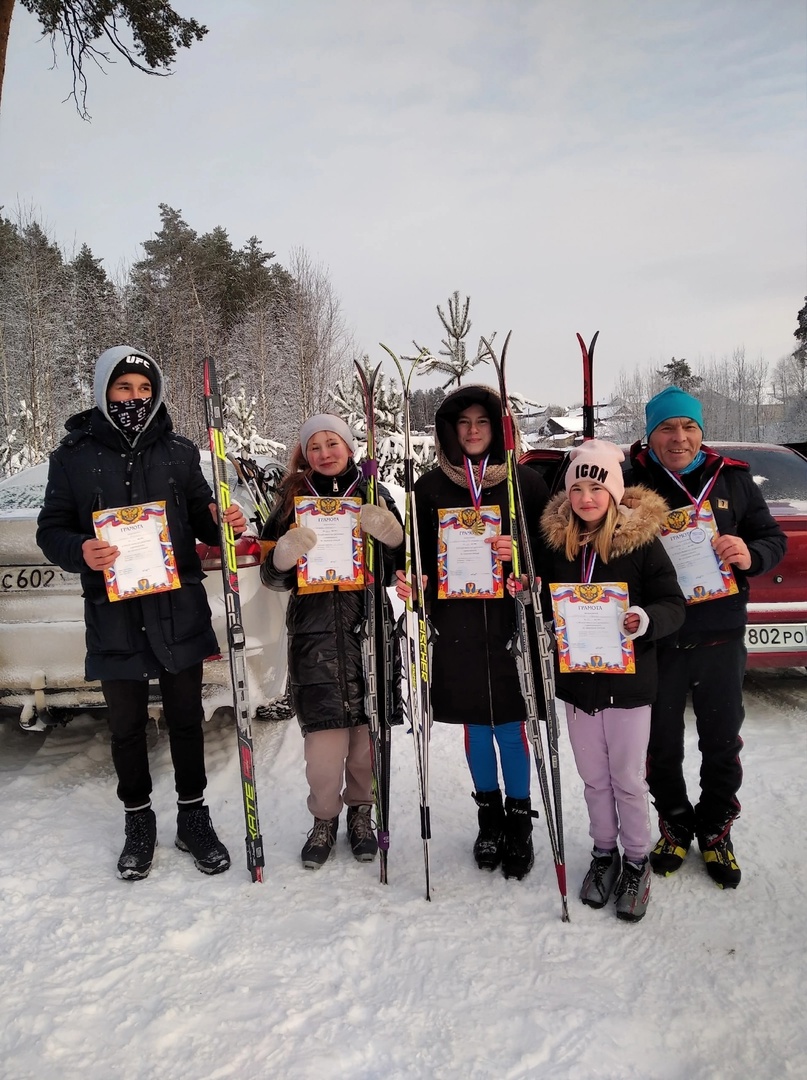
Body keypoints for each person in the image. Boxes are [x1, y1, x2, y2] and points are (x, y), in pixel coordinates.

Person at [36, 346, 246, 881]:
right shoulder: (73, 457)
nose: (134, 398)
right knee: (126, 726)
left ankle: (192, 818)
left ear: (157, 394)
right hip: (114, 614)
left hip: (177, 608)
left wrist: (224, 519)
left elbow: (203, 521)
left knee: (185, 720)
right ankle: (138, 819)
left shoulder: (178, 452)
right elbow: (51, 528)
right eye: (123, 388)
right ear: (104, 391)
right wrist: (79, 548)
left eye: (143, 389)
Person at [626, 386, 787, 888]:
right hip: (659, 640)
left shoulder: (733, 481)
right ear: (651, 434)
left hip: (719, 634)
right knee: (660, 745)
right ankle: (675, 825)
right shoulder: (631, 484)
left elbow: (772, 539)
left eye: (688, 427)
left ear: (701, 431)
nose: (679, 437)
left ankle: (716, 829)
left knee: (721, 741)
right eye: (667, 428)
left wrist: (750, 553)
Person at [396, 386, 549, 880]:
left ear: (498, 427)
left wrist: (521, 561)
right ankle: (489, 818)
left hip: (510, 624)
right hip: (457, 627)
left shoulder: (526, 484)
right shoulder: (429, 489)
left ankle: (520, 820)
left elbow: (553, 557)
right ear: (450, 430)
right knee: (475, 727)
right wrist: (413, 583)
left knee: (510, 725)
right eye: (464, 422)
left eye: (484, 420)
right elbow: (415, 559)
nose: (474, 429)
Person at [538, 440, 685, 921]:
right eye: (576, 487)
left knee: (626, 778)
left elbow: (672, 604)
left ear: (614, 494)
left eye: (596, 488)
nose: (585, 498)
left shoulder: (642, 545)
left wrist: (645, 619)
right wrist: (528, 593)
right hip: (579, 687)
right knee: (593, 778)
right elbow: (545, 602)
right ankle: (605, 854)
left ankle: (637, 860)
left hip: (628, 686)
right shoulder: (557, 546)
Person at [260, 414, 404, 869]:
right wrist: (282, 558)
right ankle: (324, 817)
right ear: (305, 453)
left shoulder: (372, 494)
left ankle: (362, 811)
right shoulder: (290, 502)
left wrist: (395, 541)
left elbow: (397, 567)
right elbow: (270, 575)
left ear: (348, 446)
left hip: (368, 627)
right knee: (323, 751)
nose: (324, 452)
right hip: (314, 638)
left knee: (365, 740)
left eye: (332, 442)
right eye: (315, 446)